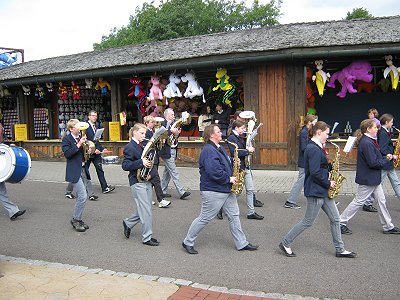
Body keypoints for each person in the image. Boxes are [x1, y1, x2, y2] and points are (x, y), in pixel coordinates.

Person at [279, 121, 356, 258]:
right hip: (316, 190)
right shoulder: (313, 148)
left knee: (336, 219)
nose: (328, 136)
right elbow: (315, 172)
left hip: (322, 190)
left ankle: (340, 249)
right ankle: (285, 242)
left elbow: (319, 167)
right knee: (307, 222)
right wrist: (328, 183)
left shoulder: (317, 147)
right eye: (327, 133)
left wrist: (330, 166)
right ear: (318, 132)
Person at [182, 124, 258, 254]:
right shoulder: (208, 151)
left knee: (234, 215)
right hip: (213, 190)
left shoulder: (219, 147)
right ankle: (187, 242)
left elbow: (225, 163)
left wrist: (235, 162)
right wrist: (229, 179)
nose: (221, 133)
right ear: (211, 135)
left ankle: (241, 243)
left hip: (225, 189)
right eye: (218, 131)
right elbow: (213, 172)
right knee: (205, 218)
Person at [340, 119, 400, 235]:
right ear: (368, 129)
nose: (377, 129)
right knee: (358, 201)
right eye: (375, 127)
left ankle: (388, 226)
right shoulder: (367, 142)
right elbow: (373, 163)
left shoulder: (369, 141)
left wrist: (386, 156)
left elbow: (375, 158)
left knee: (381, 201)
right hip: (368, 178)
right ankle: (340, 222)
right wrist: (387, 159)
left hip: (372, 178)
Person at [122, 123, 159, 246]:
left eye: (144, 133)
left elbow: (151, 162)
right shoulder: (129, 147)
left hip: (145, 179)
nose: (145, 135)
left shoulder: (143, 145)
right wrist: (141, 162)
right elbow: (125, 166)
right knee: (146, 210)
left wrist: (150, 174)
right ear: (135, 133)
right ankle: (147, 237)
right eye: (142, 133)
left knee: (143, 208)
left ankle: (128, 223)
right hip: (136, 181)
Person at [218, 120, 264, 220]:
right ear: (236, 128)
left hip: (245, 166)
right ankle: (221, 208)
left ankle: (251, 212)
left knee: (250, 190)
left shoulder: (242, 137)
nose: (244, 130)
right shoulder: (231, 138)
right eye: (242, 128)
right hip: (238, 167)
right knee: (235, 192)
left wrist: (249, 145)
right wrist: (248, 150)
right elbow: (235, 151)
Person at [362, 114, 400, 212]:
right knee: (378, 184)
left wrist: (392, 144)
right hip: (385, 162)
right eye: (391, 122)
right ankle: (367, 203)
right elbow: (382, 149)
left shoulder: (384, 132)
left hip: (387, 163)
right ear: (387, 122)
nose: (392, 124)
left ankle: (367, 203)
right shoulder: (383, 133)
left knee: (396, 183)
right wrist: (392, 155)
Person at [61, 119, 92, 232]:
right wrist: (79, 144)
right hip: (74, 170)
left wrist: (88, 151)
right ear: (70, 129)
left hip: (83, 169)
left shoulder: (81, 137)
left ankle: (78, 219)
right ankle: (76, 219)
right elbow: (67, 154)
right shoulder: (67, 139)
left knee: (81, 197)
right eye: (76, 126)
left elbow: (83, 153)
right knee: (83, 196)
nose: (79, 127)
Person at [284, 114, 318, 209]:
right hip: (304, 161)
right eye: (314, 121)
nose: (315, 123)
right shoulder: (304, 132)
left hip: (306, 160)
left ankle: (321, 199)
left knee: (313, 179)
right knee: (301, 181)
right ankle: (290, 201)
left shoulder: (307, 131)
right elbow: (304, 148)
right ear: (309, 122)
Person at [159, 108, 191, 200]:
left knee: (167, 172)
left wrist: (177, 134)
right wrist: (171, 131)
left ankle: (162, 191)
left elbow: (174, 137)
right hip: (166, 150)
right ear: (167, 115)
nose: (174, 116)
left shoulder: (173, 124)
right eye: (172, 115)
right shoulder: (163, 123)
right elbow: (162, 134)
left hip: (173, 149)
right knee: (174, 172)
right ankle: (181, 192)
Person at [142, 116, 171, 208]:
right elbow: (146, 144)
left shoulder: (152, 131)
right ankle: (161, 200)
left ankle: (147, 199)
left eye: (154, 122)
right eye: (152, 122)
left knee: (150, 180)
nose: (154, 124)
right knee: (156, 179)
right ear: (147, 123)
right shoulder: (145, 132)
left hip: (154, 157)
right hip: (149, 158)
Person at [85, 110, 115, 194]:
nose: (95, 117)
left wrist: (102, 149)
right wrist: (94, 150)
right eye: (93, 116)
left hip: (96, 153)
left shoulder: (96, 125)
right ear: (89, 116)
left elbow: (96, 140)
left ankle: (105, 187)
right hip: (88, 152)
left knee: (100, 169)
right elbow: (86, 141)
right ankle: (78, 188)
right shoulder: (85, 127)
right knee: (84, 170)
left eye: (96, 116)